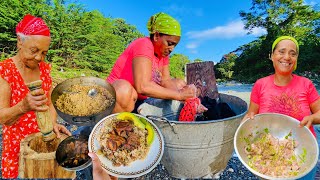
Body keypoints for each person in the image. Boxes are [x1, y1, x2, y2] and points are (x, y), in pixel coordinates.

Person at [0, 14, 71, 178]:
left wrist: (53, 123)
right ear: (19, 41)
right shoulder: (6, 71)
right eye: (34, 50)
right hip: (18, 147)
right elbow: (2, 117)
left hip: (44, 139)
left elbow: (50, 103)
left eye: (44, 53)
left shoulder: (45, 70)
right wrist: (23, 107)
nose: (39, 57)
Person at [242, 35, 320, 179]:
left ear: (296, 59)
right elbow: (251, 115)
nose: (287, 57)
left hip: (302, 152)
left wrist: (312, 118)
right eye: (281, 51)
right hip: (267, 155)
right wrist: (246, 120)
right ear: (271, 56)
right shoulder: (260, 84)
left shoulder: (306, 84)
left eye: (293, 53)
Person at [107, 12, 198, 113]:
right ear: (156, 36)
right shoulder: (144, 44)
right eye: (170, 43)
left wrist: (188, 99)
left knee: (180, 84)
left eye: (174, 46)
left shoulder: (163, 53)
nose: (172, 49)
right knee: (124, 90)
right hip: (118, 99)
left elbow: (166, 81)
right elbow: (143, 86)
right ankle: (118, 124)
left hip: (140, 99)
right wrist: (179, 95)